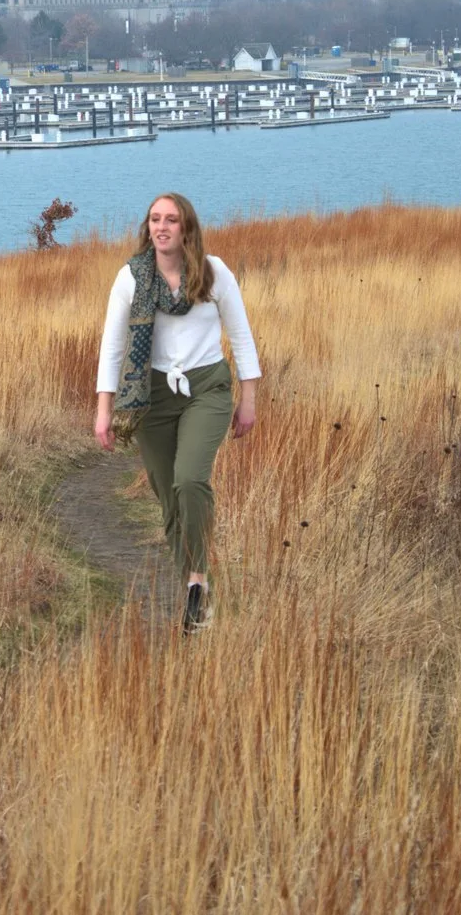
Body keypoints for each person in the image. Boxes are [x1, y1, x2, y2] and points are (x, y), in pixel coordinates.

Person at [93, 191, 260, 634]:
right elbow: (112, 347)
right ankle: (195, 589)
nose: (162, 227)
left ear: (186, 227)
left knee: (189, 480)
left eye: (170, 219)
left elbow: (241, 337)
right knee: (168, 497)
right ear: (147, 227)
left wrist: (248, 399)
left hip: (207, 389)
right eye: (155, 219)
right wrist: (104, 410)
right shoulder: (131, 278)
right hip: (152, 396)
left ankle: (199, 581)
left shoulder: (213, 272)